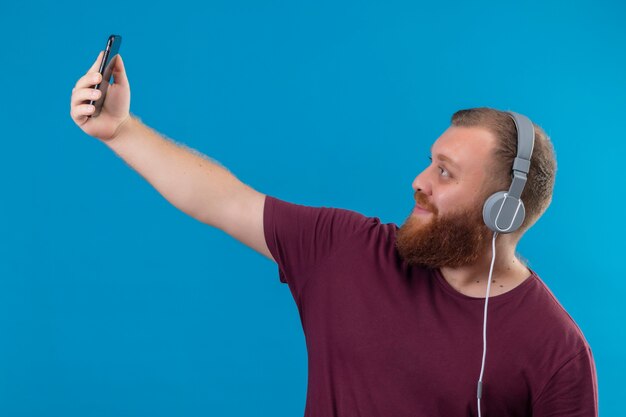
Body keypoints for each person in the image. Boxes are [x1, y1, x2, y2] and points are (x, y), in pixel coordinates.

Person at [70, 51, 598, 416]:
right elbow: (222, 199)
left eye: (445, 172)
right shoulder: (348, 251)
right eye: (428, 162)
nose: (419, 182)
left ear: (502, 211)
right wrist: (122, 130)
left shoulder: (556, 352)